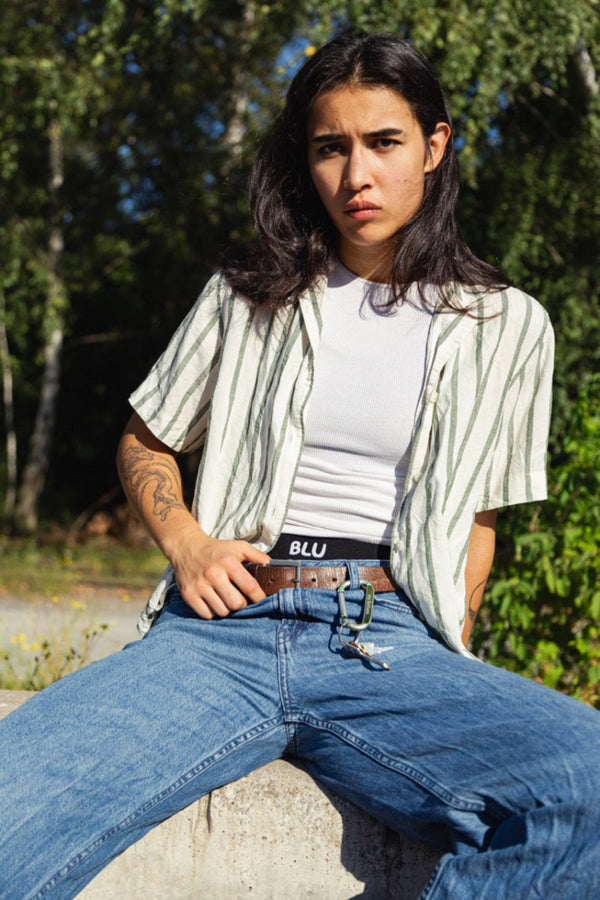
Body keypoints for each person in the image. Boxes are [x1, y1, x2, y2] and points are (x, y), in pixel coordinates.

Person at [1, 30, 599, 900]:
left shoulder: (508, 326)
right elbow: (145, 438)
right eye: (330, 148)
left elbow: (478, 521)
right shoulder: (246, 295)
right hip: (220, 632)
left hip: (388, 637)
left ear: (434, 147)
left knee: (586, 783)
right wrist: (188, 545)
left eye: (384, 142)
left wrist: (454, 653)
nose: (357, 175)